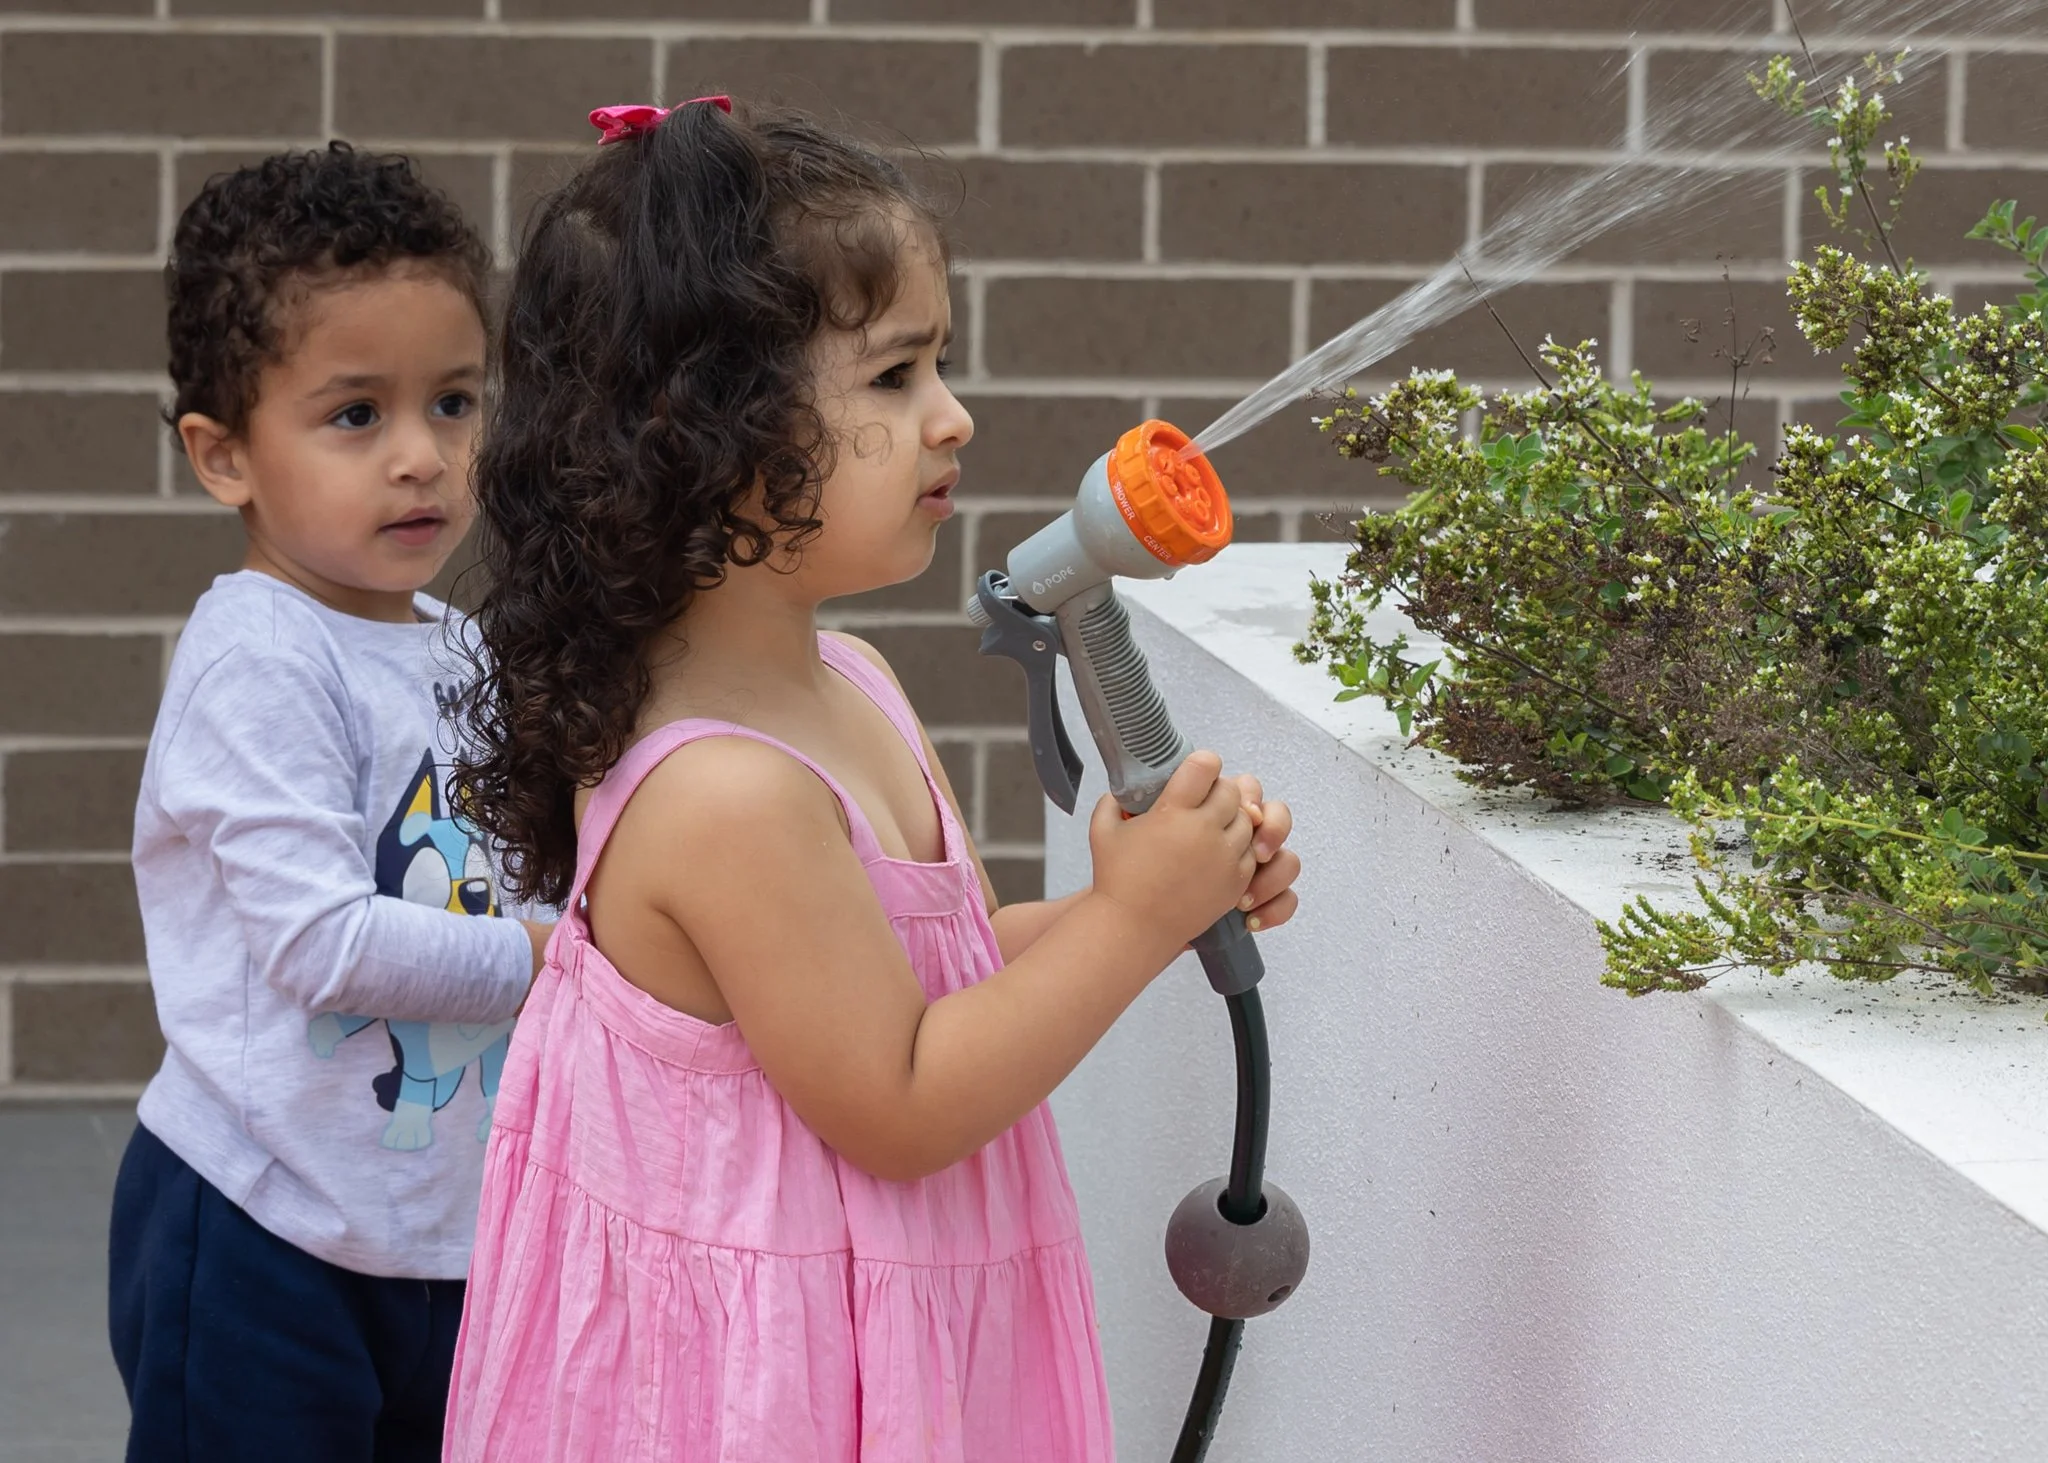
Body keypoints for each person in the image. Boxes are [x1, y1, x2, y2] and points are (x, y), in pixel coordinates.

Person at [444, 96, 1303, 1462]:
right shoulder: (725, 794)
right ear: (703, 435)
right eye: (896, 377)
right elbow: (899, 1095)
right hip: (768, 1379)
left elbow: (931, 981)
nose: (953, 418)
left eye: (940, 367)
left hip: (881, 1315)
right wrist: (1138, 921)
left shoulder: (852, 684)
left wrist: (1136, 905)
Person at [107, 144, 554, 1463]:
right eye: (357, 414)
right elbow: (320, 943)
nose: (422, 456)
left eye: (456, 403)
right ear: (223, 454)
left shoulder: (457, 649)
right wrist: (548, 959)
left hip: (438, 1229)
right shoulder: (259, 655)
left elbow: (526, 864)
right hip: (260, 1227)